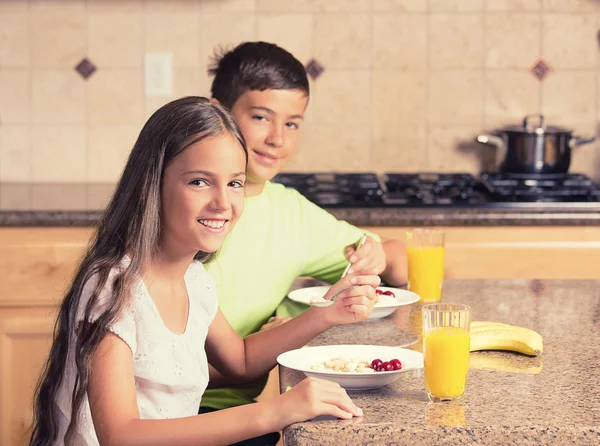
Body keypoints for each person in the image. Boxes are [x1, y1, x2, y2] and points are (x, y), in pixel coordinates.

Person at [28, 97, 379, 446]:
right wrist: (274, 412)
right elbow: (120, 435)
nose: (222, 202)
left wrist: (329, 312)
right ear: (149, 186)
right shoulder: (113, 289)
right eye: (199, 182)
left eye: (235, 183)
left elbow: (240, 362)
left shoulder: (194, 280)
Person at [201, 41, 408, 442]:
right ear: (217, 114)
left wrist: (378, 253)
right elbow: (157, 365)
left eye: (292, 123)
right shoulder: (184, 209)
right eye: (261, 117)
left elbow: (398, 260)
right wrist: (272, 343)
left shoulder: (292, 215)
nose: (277, 138)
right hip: (158, 411)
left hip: (233, 411)